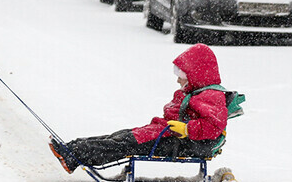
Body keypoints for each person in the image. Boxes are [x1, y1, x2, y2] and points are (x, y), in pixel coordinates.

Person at [49, 43, 227, 173]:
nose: (178, 79)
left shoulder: (211, 96)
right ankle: (72, 149)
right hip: (168, 135)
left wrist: (186, 129)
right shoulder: (197, 92)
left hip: (182, 144)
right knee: (122, 135)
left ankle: (74, 154)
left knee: (125, 143)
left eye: (181, 73)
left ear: (196, 73)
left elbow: (213, 127)